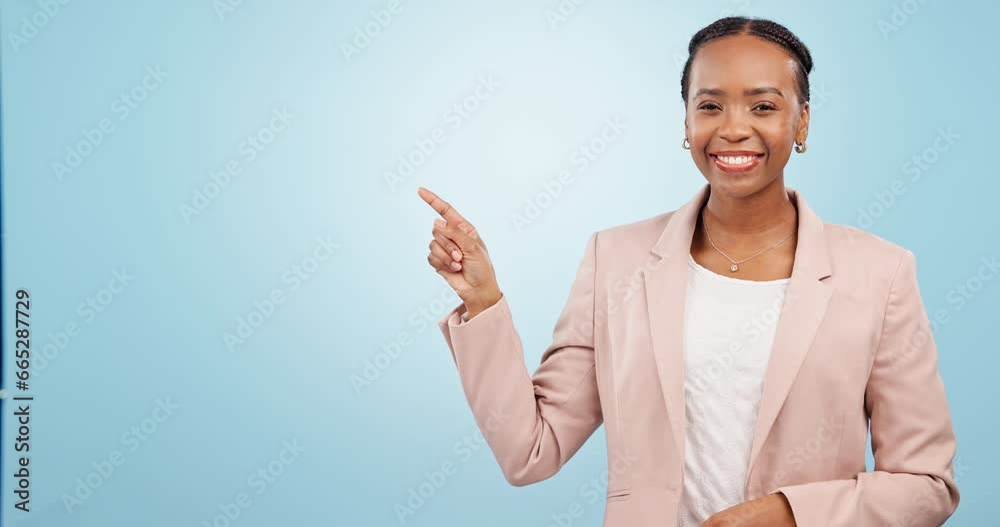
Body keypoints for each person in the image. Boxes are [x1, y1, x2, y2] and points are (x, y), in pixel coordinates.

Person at [418, 16, 959, 527]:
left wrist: (790, 513)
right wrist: (484, 301)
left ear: (802, 121)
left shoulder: (879, 273)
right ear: (686, 121)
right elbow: (530, 452)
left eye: (764, 106)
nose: (734, 129)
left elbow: (927, 485)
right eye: (710, 105)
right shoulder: (617, 260)